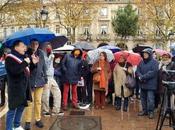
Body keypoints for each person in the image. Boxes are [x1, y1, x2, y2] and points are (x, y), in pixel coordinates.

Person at [5, 40, 36, 130]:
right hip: (15, 87)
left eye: (25, 46)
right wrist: (25, 62)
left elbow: (27, 70)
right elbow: (15, 71)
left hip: (24, 86)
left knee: (22, 106)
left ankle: (17, 125)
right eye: (22, 46)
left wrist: (33, 64)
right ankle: (9, 128)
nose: (25, 48)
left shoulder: (23, 57)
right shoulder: (9, 58)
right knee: (12, 109)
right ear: (16, 47)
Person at [24, 39, 47, 130]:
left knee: (38, 102)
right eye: (33, 44)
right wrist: (32, 62)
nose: (35, 45)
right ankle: (27, 121)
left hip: (40, 81)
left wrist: (45, 78)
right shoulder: (26, 54)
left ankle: (38, 119)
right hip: (30, 81)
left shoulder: (41, 53)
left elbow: (44, 66)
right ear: (30, 44)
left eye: (36, 44)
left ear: (38, 44)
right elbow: (25, 68)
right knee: (29, 102)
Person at [136, 48, 159, 119]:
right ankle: (144, 110)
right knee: (143, 99)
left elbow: (153, 72)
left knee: (150, 99)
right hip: (142, 84)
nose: (144, 55)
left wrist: (142, 77)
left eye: (146, 54)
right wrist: (140, 76)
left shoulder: (155, 62)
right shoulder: (141, 62)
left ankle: (151, 112)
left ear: (150, 54)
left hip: (151, 84)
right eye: (143, 54)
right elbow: (137, 71)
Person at [42, 43, 63, 116]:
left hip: (52, 77)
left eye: (50, 47)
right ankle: (45, 111)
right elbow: (45, 66)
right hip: (46, 77)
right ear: (44, 48)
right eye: (48, 47)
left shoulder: (51, 54)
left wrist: (56, 62)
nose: (49, 48)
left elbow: (52, 66)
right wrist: (51, 58)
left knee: (58, 93)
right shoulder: (43, 55)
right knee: (46, 95)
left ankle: (56, 110)